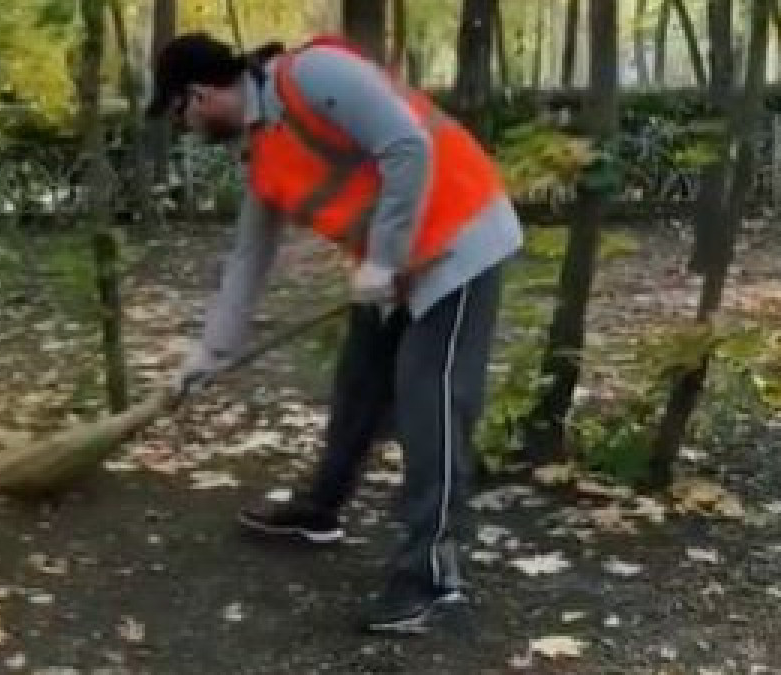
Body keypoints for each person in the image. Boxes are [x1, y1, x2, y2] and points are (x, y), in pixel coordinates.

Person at [146, 32, 522, 635]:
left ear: (199, 95)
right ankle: (319, 511)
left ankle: (431, 575)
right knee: (358, 389)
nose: (185, 129)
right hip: (396, 266)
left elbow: (407, 145)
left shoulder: (311, 76)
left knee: (433, 407)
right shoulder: (264, 151)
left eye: (179, 114)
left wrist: (383, 258)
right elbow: (249, 261)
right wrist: (210, 353)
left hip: (460, 241)